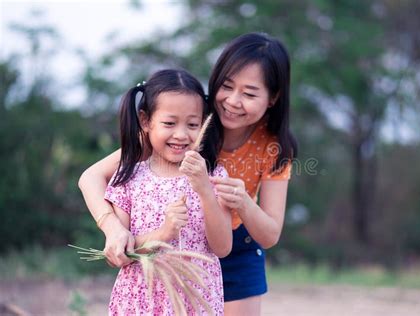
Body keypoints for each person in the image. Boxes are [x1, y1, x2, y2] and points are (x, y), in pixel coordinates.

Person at [78, 32, 297, 315]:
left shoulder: (273, 147)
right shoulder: (184, 125)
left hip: (235, 246)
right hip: (170, 247)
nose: (232, 100)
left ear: (273, 98)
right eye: (227, 86)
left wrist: (242, 202)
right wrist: (115, 230)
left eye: (250, 93)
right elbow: (91, 178)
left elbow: (269, 234)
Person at [99, 68, 232, 315]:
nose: (181, 135)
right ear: (145, 121)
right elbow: (119, 254)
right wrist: (164, 232)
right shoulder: (129, 178)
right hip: (141, 301)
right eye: (169, 123)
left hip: (195, 299)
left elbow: (223, 247)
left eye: (192, 124)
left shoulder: (214, 176)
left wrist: (204, 190)